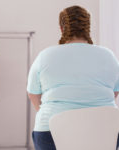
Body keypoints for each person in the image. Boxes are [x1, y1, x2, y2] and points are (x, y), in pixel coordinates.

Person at [27, 5, 119, 150]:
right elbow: (114, 93)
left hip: (51, 132)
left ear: (62, 28)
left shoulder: (45, 56)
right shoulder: (109, 56)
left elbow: (33, 95)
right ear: (87, 28)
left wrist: (55, 116)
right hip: (103, 131)